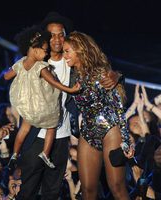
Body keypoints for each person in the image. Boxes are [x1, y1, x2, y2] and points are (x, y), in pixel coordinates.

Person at [16, 12, 120, 200]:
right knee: (28, 190)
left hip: (62, 136)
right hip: (36, 135)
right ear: (45, 38)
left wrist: (117, 75)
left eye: (61, 34)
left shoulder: (72, 62)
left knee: (53, 191)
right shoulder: (35, 62)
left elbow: (97, 68)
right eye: (52, 35)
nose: (56, 39)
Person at [62, 31, 134, 199]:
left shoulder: (100, 73)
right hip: (87, 132)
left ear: (79, 50)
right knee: (87, 190)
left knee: (116, 187)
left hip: (110, 130)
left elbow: (118, 109)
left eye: (67, 51)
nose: (64, 55)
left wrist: (125, 141)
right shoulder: (70, 76)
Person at [4, 25, 80, 169]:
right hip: (42, 105)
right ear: (34, 49)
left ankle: (14, 153)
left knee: (24, 129)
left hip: (27, 104)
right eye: (44, 51)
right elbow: (54, 82)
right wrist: (70, 89)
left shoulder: (20, 63)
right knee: (52, 125)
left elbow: (6, 76)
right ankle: (45, 153)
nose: (46, 54)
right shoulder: (41, 66)